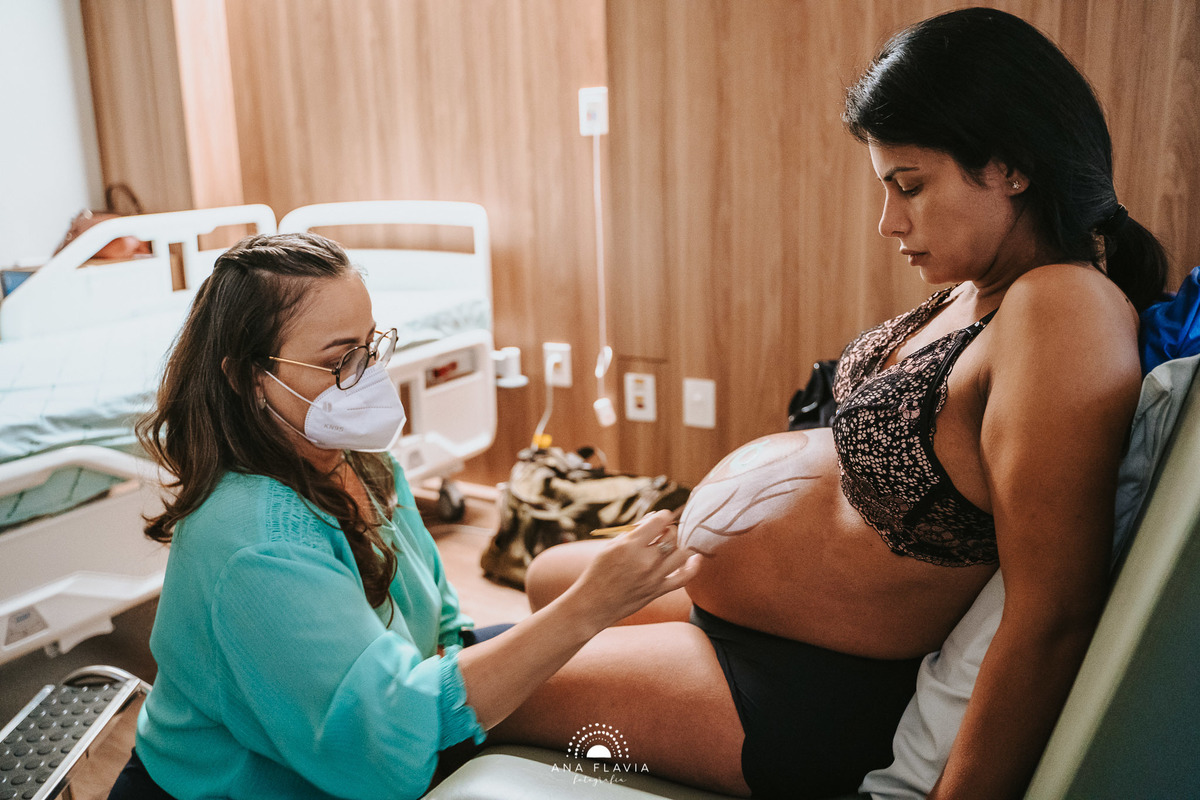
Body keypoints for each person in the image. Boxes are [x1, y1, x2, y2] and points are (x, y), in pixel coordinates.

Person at [496, 7, 1168, 800]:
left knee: (477, 700)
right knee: (545, 578)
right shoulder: (978, 292)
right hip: (758, 621)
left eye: (909, 186)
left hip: (804, 689)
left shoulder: (1064, 310)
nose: (891, 221)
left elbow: (1051, 613)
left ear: (1014, 165)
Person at [107, 233, 702, 800]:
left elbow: (436, 613)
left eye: (371, 347)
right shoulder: (255, 546)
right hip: (275, 778)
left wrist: (510, 646)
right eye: (340, 360)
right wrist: (589, 605)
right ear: (244, 377)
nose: (367, 378)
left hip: (401, 697)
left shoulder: (358, 462)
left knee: (666, 639)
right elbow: (377, 755)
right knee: (662, 686)